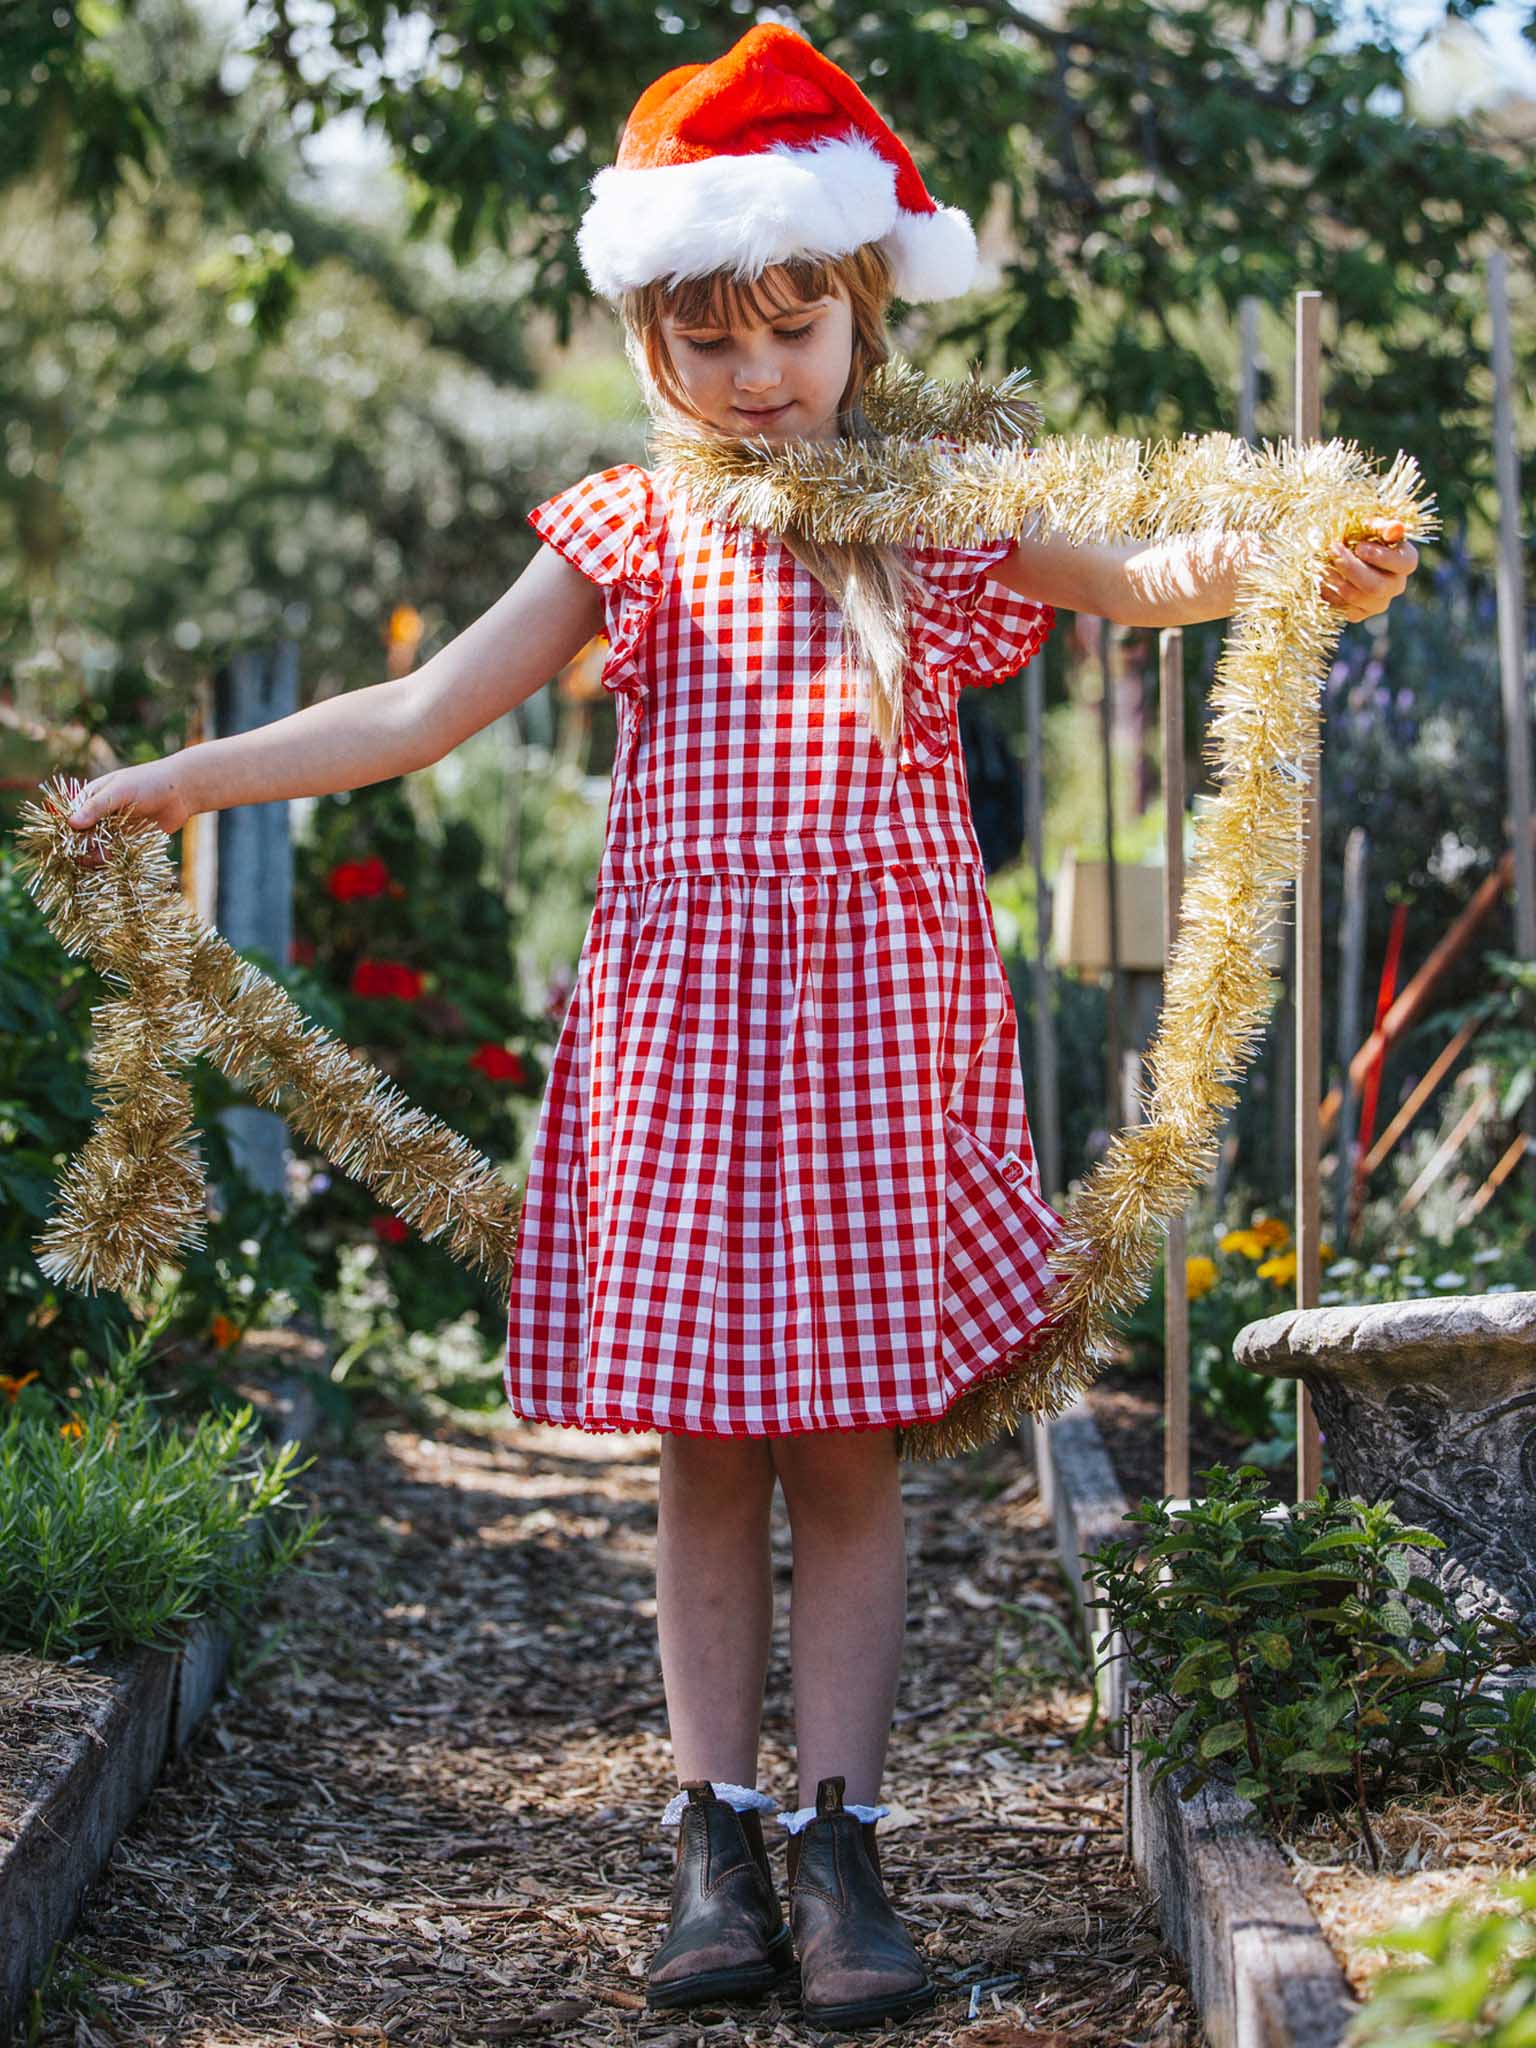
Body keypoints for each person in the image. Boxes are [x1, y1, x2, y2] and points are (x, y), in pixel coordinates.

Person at [63, 21, 1420, 2030]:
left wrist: (1305, 556)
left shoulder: (940, 505)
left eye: (790, 328)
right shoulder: (630, 531)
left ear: (861, 311)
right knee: (708, 1450)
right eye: (706, 343)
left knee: (849, 1456)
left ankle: (842, 1837)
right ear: (649, 350)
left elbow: (1144, 571)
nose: (754, 374)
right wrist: (179, 781)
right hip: (689, 1052)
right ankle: (712, 1828)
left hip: (883, 1039)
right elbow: (417, 713)